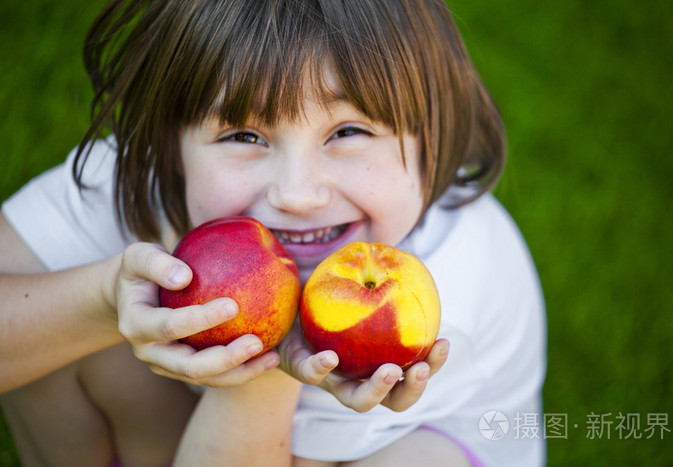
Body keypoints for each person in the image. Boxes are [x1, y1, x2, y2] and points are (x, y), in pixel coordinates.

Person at [0, 0, 546, 465]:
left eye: (349, 131)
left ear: (432, 140)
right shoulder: (129, 178)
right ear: (167, 146)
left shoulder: (426, 307)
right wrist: (101, 300)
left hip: (398, 444)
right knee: (52, 323)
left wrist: (271, 373)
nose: (296, 194)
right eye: (244, 135)